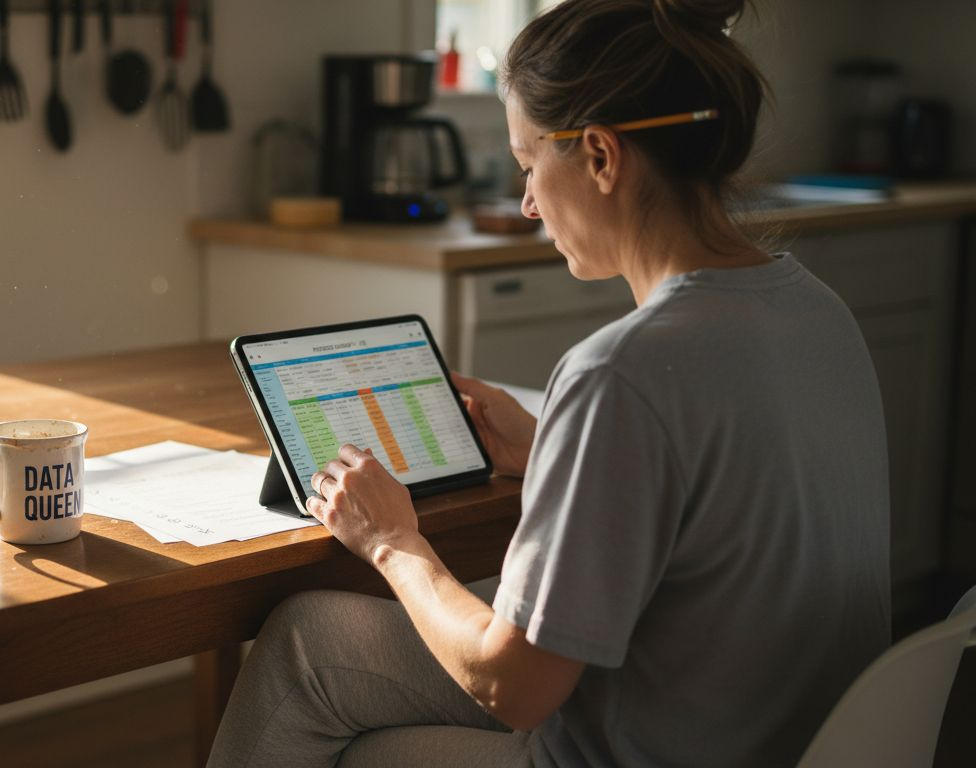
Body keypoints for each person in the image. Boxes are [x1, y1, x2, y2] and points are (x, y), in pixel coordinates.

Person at [207, 0, 891, 765]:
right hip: (795, 738)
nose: (529, 203)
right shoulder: (818, 310)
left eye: (530, 165)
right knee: (318, 636)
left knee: (326, 687)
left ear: (600, 156)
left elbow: (514, 685)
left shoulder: (620, 372)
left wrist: (392, 542)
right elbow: (731, 511)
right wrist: (549, 455)